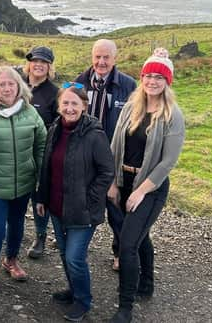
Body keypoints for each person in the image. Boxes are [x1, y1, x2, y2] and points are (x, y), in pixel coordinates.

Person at [108, 49, 185, 323]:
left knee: (127, 244)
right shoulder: (131, 107)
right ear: (142, 78)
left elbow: (167, 162)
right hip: (123, 181)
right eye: (148, 76)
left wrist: (140, 192)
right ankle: (147, 283)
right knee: (140, 235)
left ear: (167, 81)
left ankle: (125, 307)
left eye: (158, 77)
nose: (152, 81)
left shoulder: (172, 115)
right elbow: (116, 145)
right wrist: (114, 183)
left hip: (151, 187)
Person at [36, 83, 115, 322]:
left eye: (74, 103)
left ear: (84, 106)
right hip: (57, 206)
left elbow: (107, 171)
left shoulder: (94, 135)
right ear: (59, 106)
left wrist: (90, 200)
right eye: (65, 103)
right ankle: (73, 290)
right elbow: (46, 166)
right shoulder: (55, 129)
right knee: (63, 253)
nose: (69, 108)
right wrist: (41, 197)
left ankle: (83, 301)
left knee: (74, 257)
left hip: (82, 210)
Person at [0, 66, 47, 289]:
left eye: (11, 84)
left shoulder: (30, 112)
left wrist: (41, 176)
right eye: (1, 84)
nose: (6, 88)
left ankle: (11, 259)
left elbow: (41, 145)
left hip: (24, 184)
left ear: (19, 86)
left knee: (17, 225)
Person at [74, 39, 137, 271]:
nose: (101, 62)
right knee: (81, 203)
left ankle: (119, 252)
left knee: (115, 208)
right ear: (92, 57)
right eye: (97, 57)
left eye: (106, 57)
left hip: (114, 157)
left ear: (115, 59)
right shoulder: (79, 83)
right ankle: (76, 248)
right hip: (84, 156)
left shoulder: (129, 86)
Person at [23, 46, 59, 259]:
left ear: (49, 67)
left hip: (41, 152)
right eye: (35, 60)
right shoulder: (16, 84)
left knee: (39, 196)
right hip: (15, 149)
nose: (38, 65)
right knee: (16, 193)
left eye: (44, 62)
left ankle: (40, 236)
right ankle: (13, 232)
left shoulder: (53, 93)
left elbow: (57, 125)